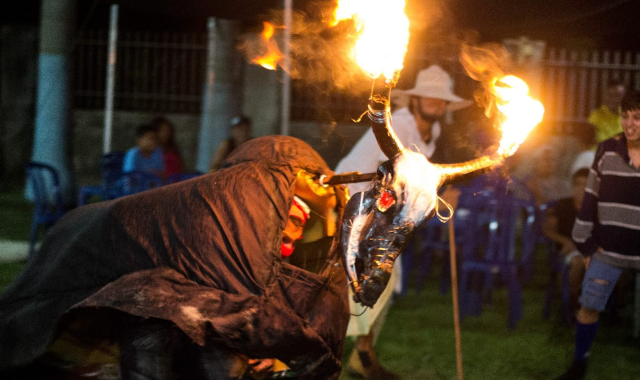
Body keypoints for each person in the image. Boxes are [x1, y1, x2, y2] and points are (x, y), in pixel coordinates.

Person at [0, 136, 350, 380]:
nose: (291, 234)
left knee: (214, 344)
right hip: (112, 301)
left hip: (174, 314)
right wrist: (308, 353)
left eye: (299, 227)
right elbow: (245, 311)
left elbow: (248, 313)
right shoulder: (219, 222)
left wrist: (271, 353)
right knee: (154, 330)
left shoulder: (255, 248)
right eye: (288, 220)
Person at [335, 64, 469, 380]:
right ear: (414, 100)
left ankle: (361, 355)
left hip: (381, 211)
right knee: (370, 281)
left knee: (386, 282)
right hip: (354, 200)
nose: (437, 104)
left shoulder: (432, 134)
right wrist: (439, 199)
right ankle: (355, 355)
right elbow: (404, 180)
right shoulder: (402, 127)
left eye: (441, 100)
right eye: (429, 98)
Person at [555, 89, 640, 380]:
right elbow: (590, 199)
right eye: (625, 117)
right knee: (589, 306)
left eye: (637, 118)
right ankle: (579, 364)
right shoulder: (606, 150)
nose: (630, 124)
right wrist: (587, 247)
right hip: (607, 250)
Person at [542, 168, 590, 315]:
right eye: (578, 184)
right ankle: (573, 303)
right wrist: (565, 241)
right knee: (577, 261)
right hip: (568, 251)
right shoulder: (563, 206)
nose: (581, 189)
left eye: (586, 185)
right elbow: (547, 229)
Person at [588, 80, 626, 145]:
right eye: (611, 95)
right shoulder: (596, 115)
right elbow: (588, 138)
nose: (614, 98)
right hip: (599, 152)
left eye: (618, 95)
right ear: (606, 96)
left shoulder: (628, 116)